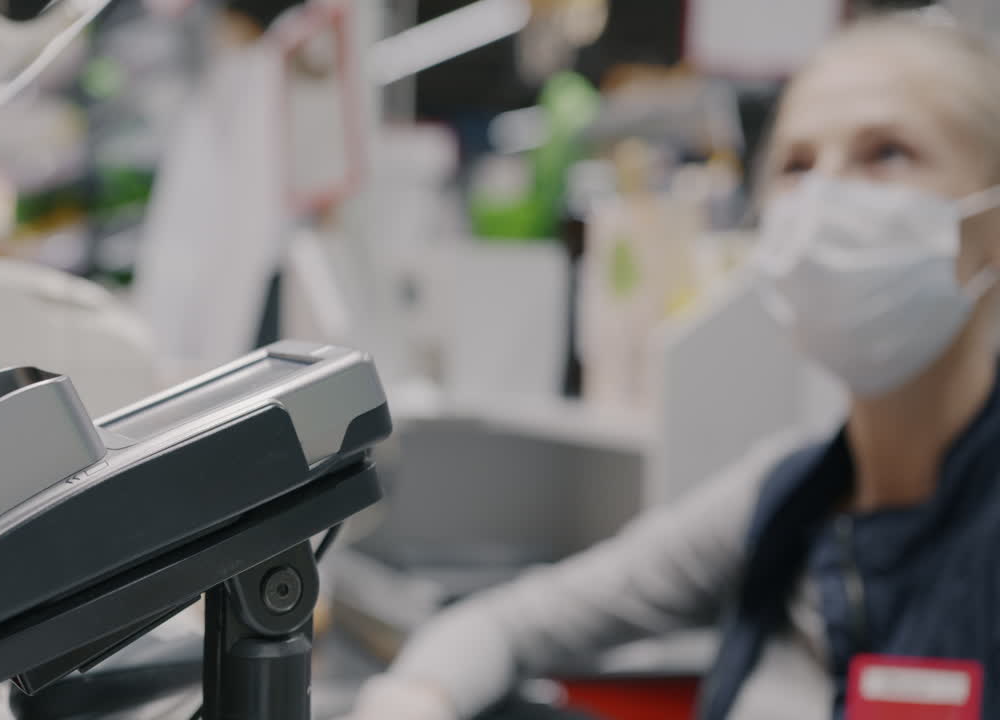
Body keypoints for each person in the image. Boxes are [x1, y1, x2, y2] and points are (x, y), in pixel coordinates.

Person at [347, 12, 1000, 720]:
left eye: (887, 153)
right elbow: (501, 624)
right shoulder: (785, 497)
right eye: (796, 165)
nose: (826, 198)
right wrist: (417, 698)